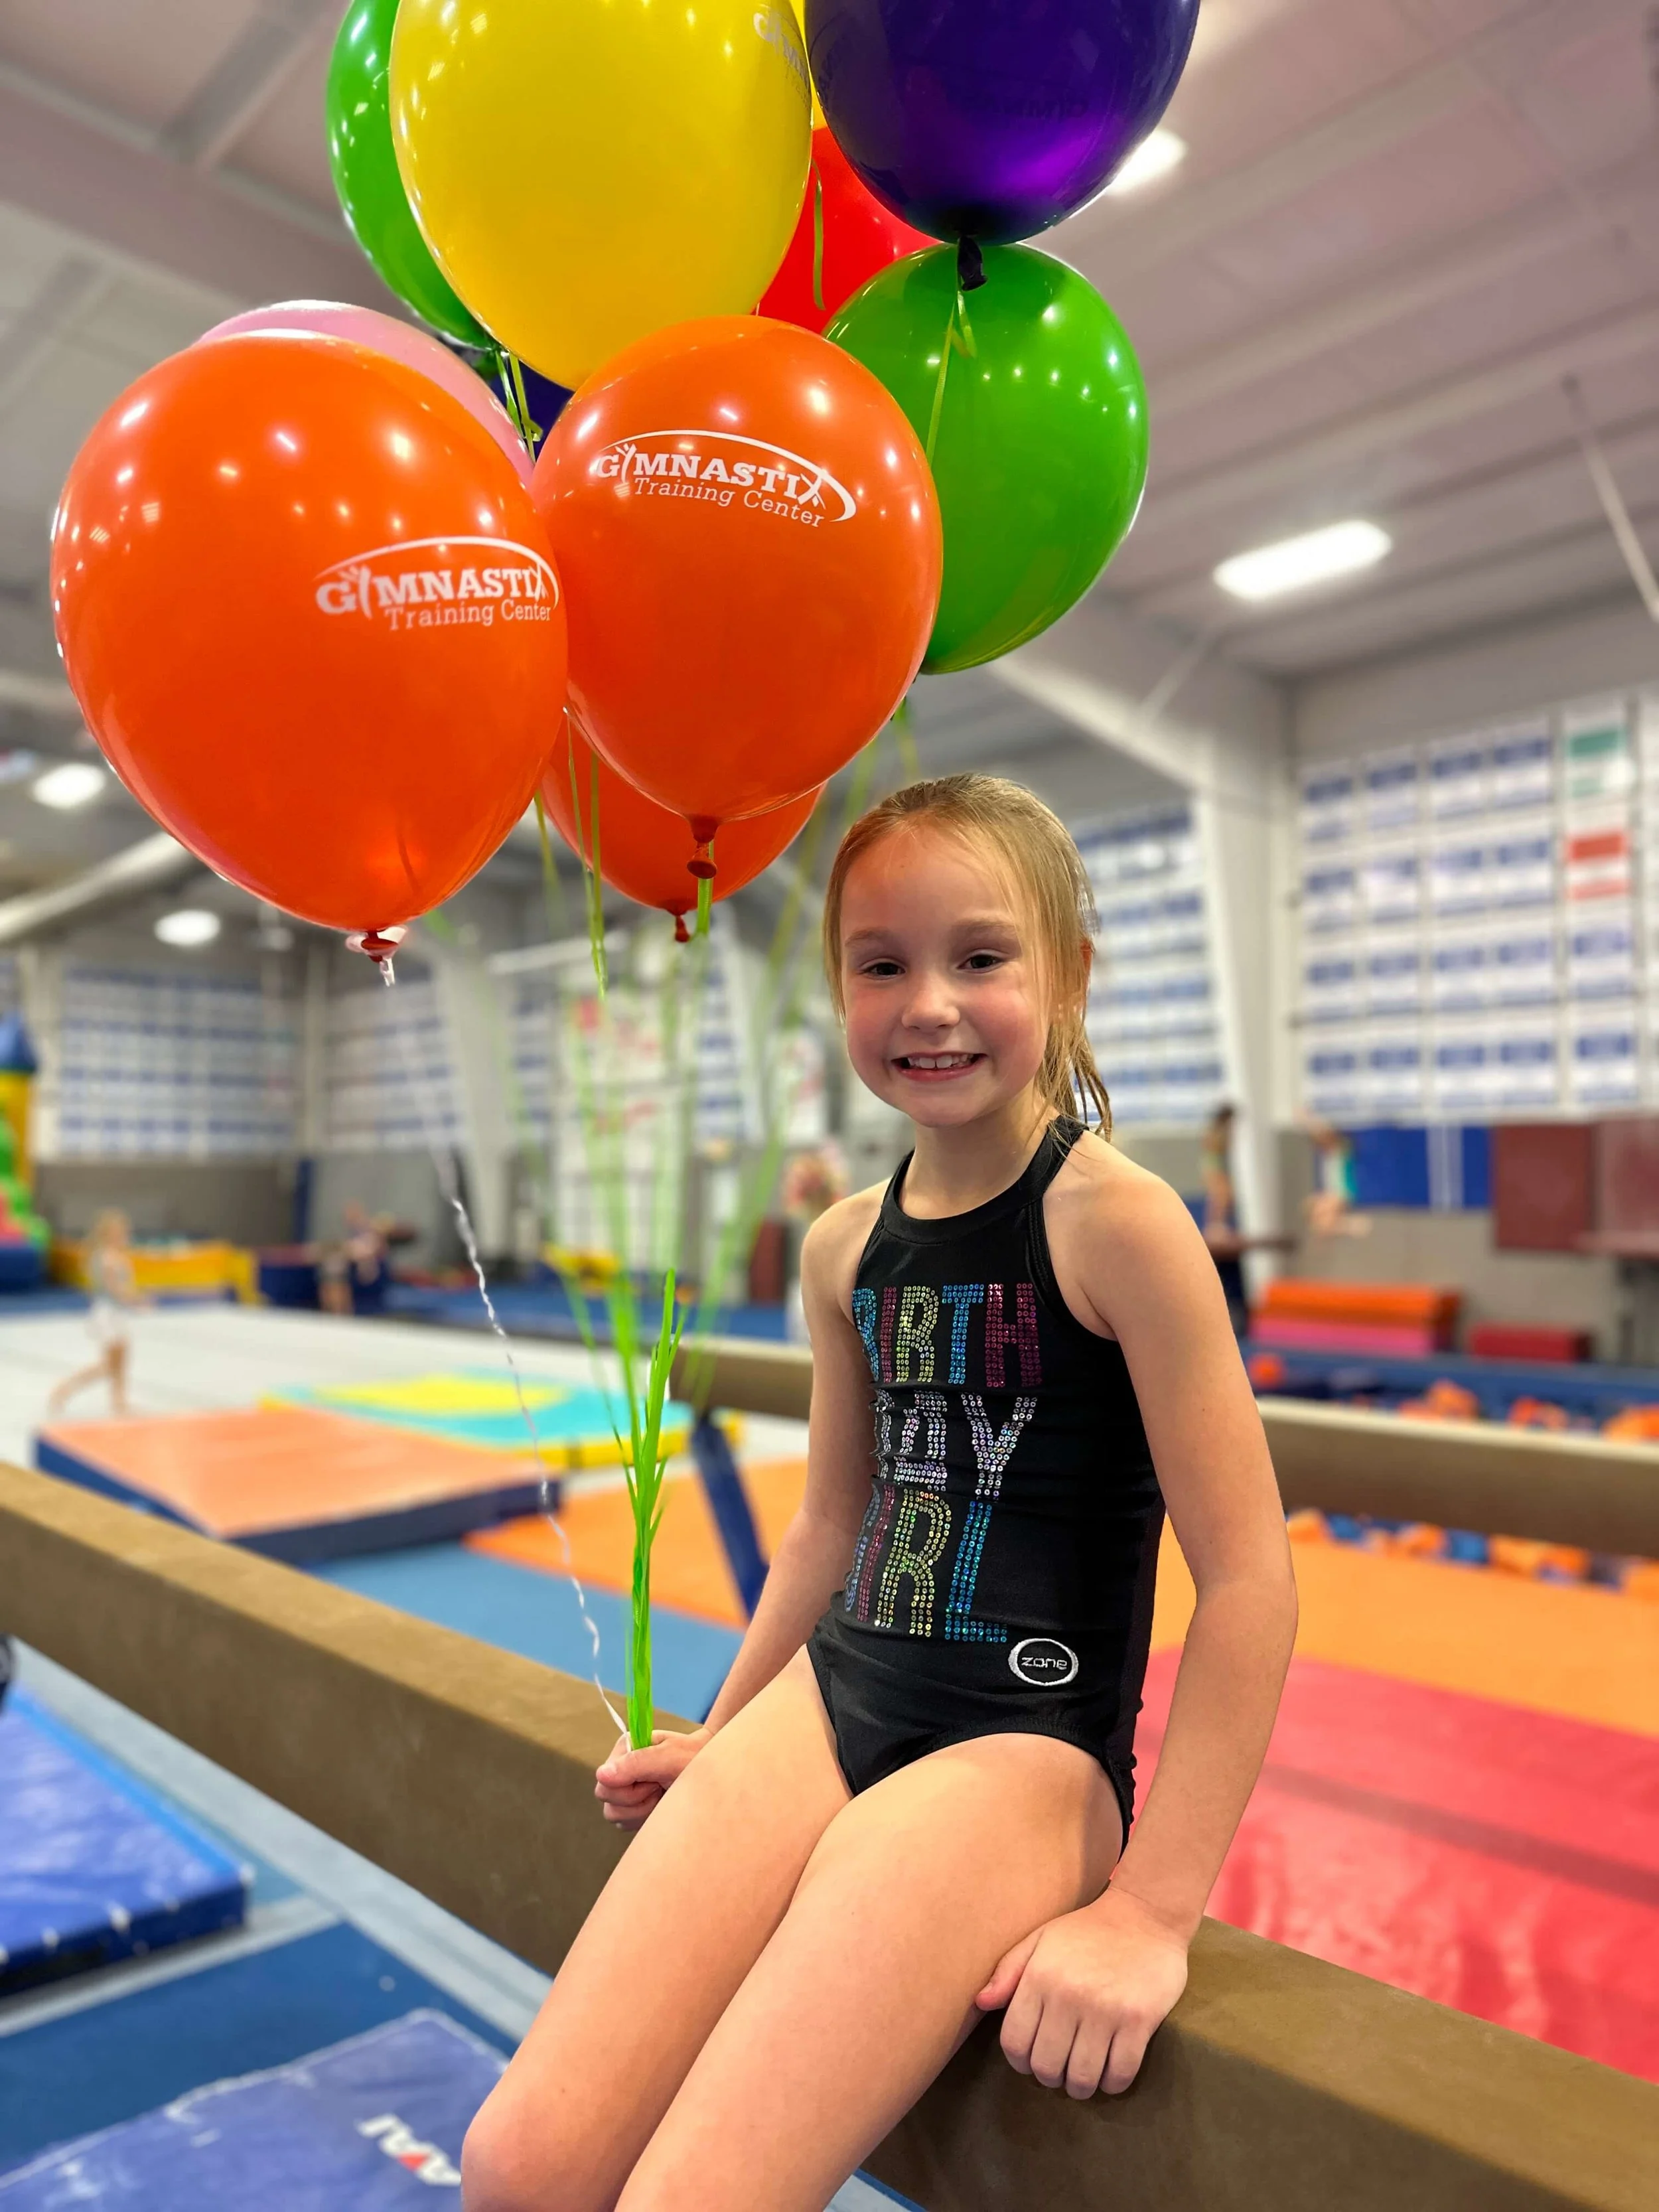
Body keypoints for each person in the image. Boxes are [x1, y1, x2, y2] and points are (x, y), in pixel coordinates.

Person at [462, 776, 1297, 2212]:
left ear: (1065, 972)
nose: (929, 1003)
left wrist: (1152, 1909)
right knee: (519, 2166)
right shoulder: (844, 1247)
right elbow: (831, 1526)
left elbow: (1248, 1577)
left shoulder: (1119, 1225)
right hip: (839, 1691)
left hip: (1023, 1746)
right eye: (880, 963)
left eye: (979, 957)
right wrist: (724, 1740)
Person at [48, 1209, 141, 1418]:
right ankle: (65, 1388)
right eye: (121, 1232)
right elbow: (113, 1288)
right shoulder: (107, 1257)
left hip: (117, 1313)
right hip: (108, 1314)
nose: (125, 1235)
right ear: (109, 1234)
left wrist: (131, 1298)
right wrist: (136, 1300)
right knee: (108, 1365)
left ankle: (119, 1402)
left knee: (122, 1361)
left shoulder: (117, 1255)